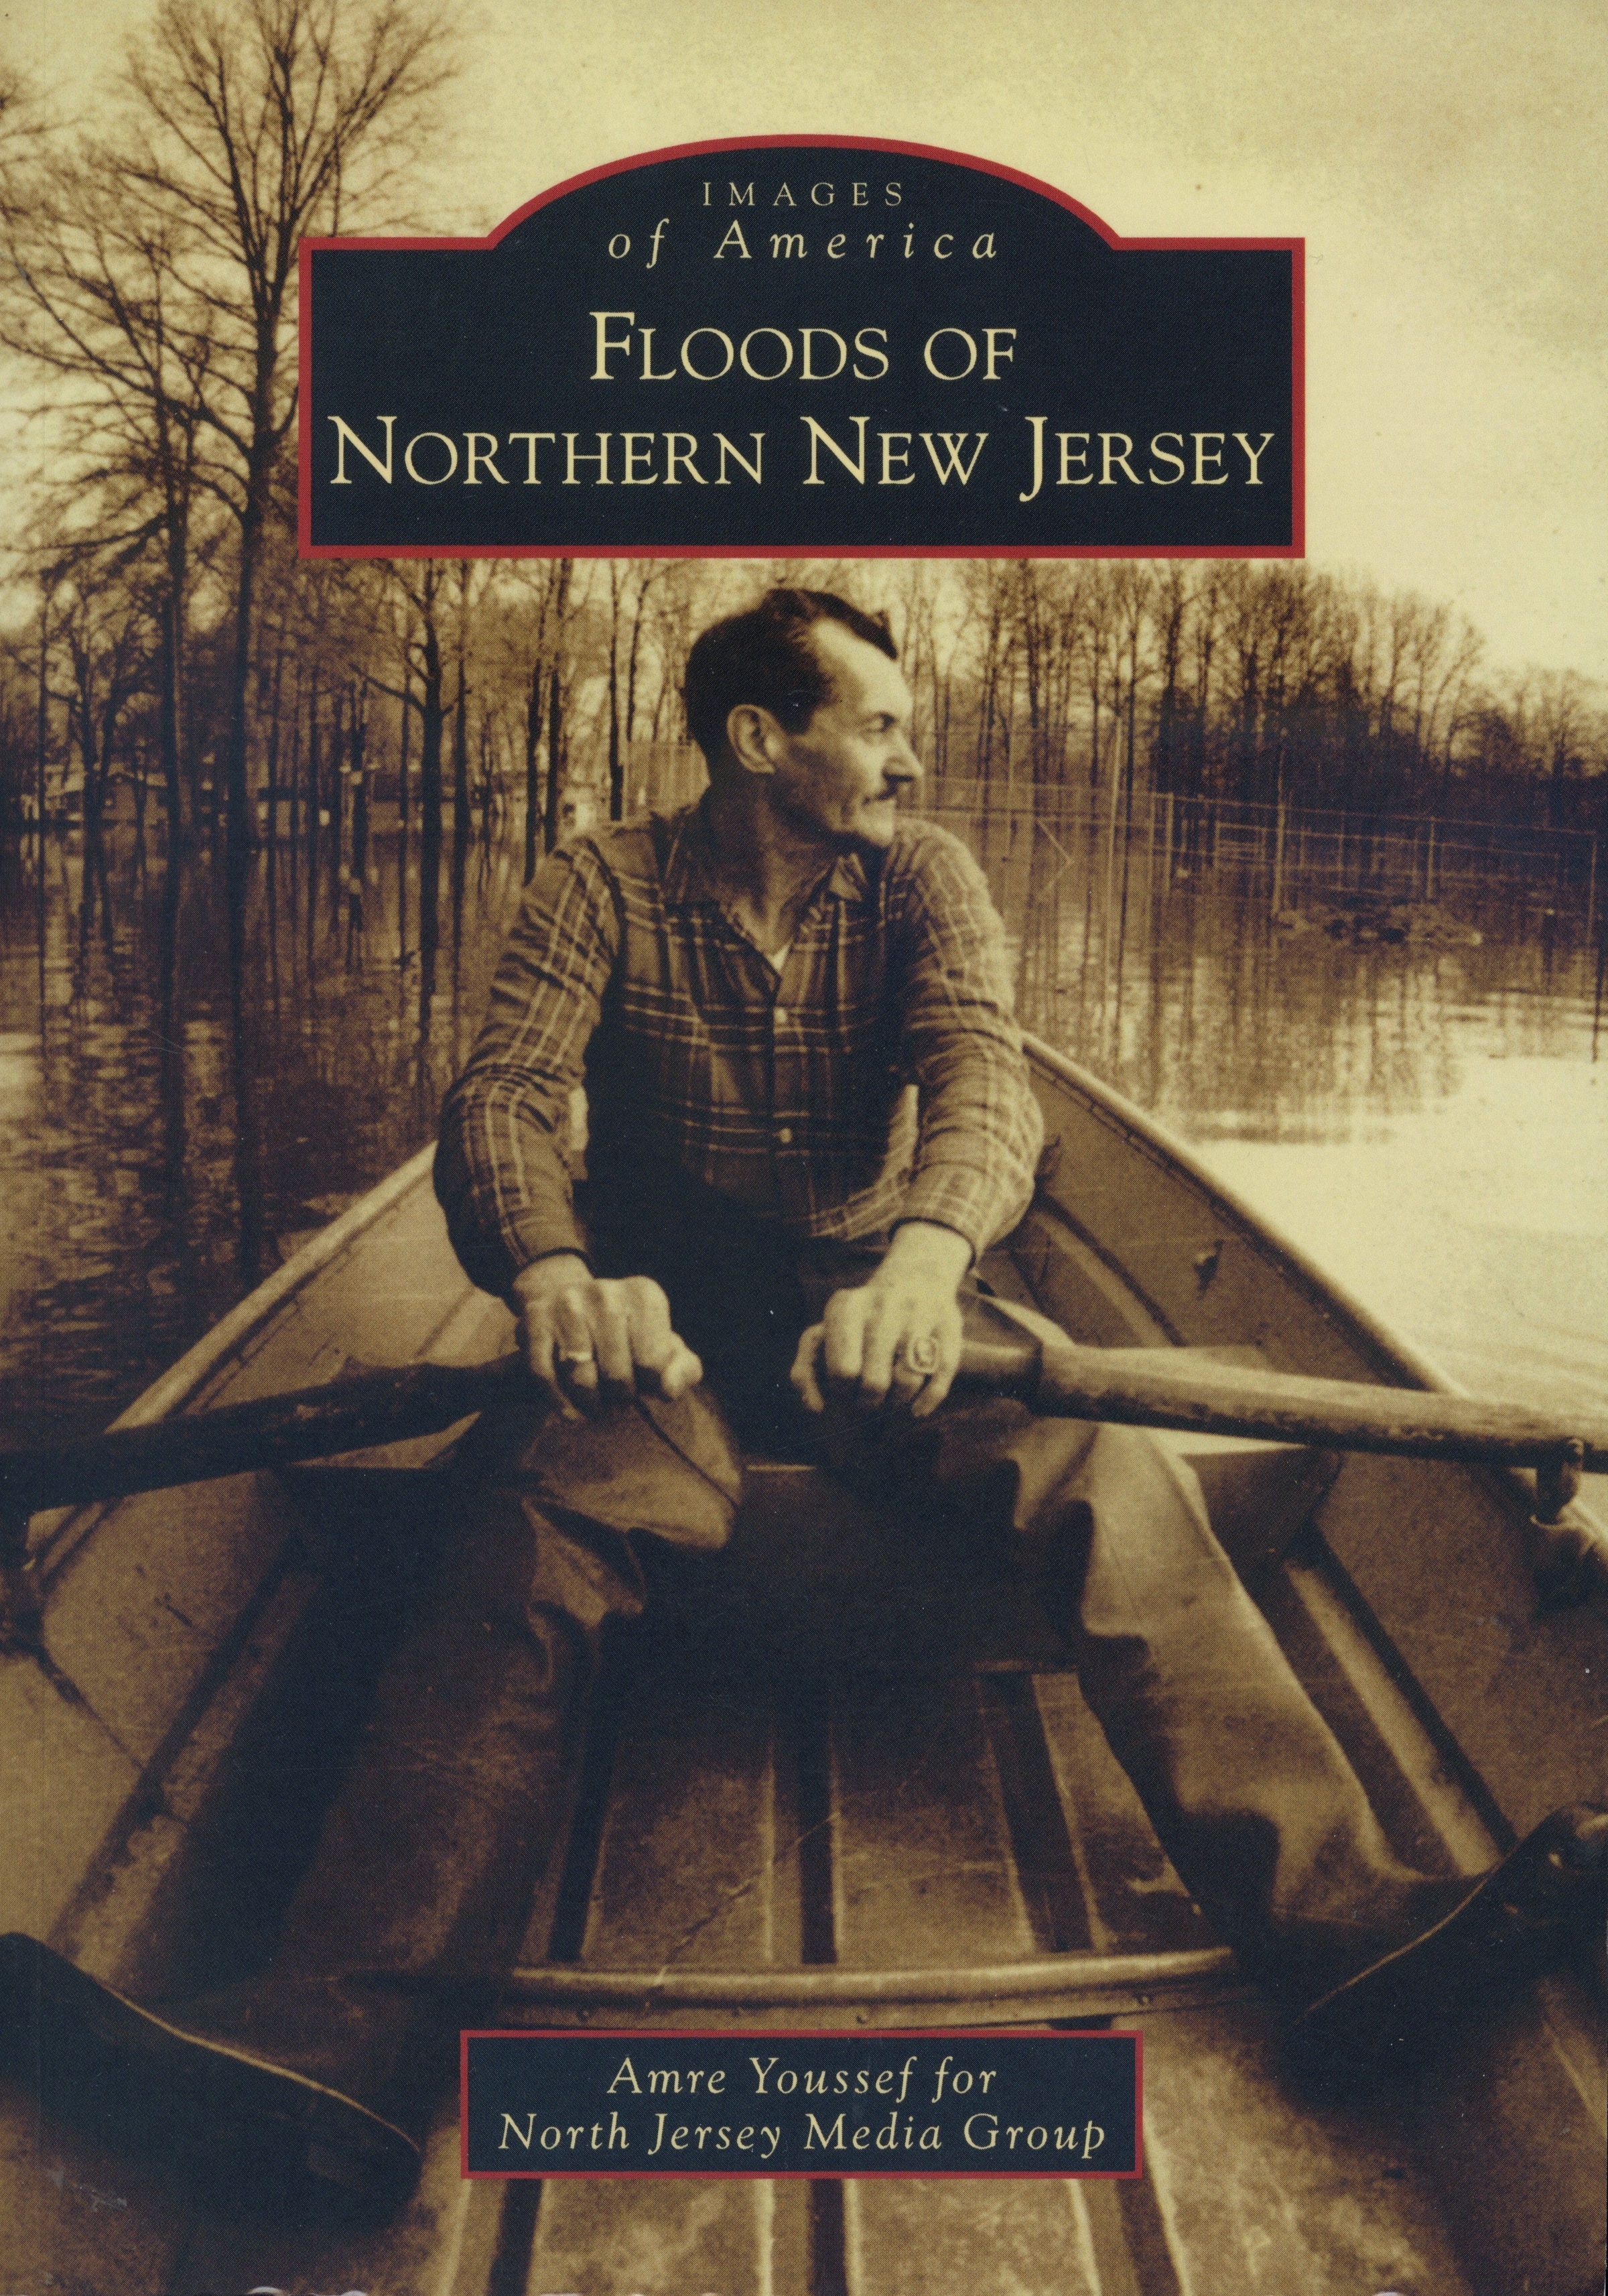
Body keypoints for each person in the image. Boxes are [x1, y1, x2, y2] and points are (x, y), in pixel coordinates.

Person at [4, 587, 1603, 2212]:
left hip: (876, 1304)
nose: (912, 760)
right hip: (659, 1324)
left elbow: (985, 1079)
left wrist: (924, 1258)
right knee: (541, 1516)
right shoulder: (596, 882)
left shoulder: (925, 877)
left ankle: (1339, 1932)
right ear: (763, 739)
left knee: (1105, 1457)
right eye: (882, 726)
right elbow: (501, 1101)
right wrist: (554, 1275)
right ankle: (341, 2057)